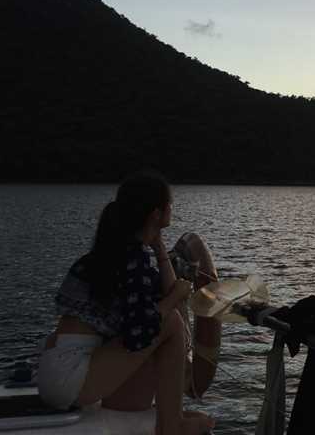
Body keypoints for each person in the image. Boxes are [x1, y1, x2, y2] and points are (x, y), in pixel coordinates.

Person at [37, 171, 215, 435]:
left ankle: (162, 417)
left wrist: (159, 248)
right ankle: (172, 425)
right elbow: (142, 330)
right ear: (157, 213)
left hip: (56, 373)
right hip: (71, 377)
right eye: (170, 204)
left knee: (162, 319)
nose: (171, 209)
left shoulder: (115, 254)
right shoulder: (133, 263)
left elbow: (161, 295)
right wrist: (176, 298)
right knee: (172, 323)